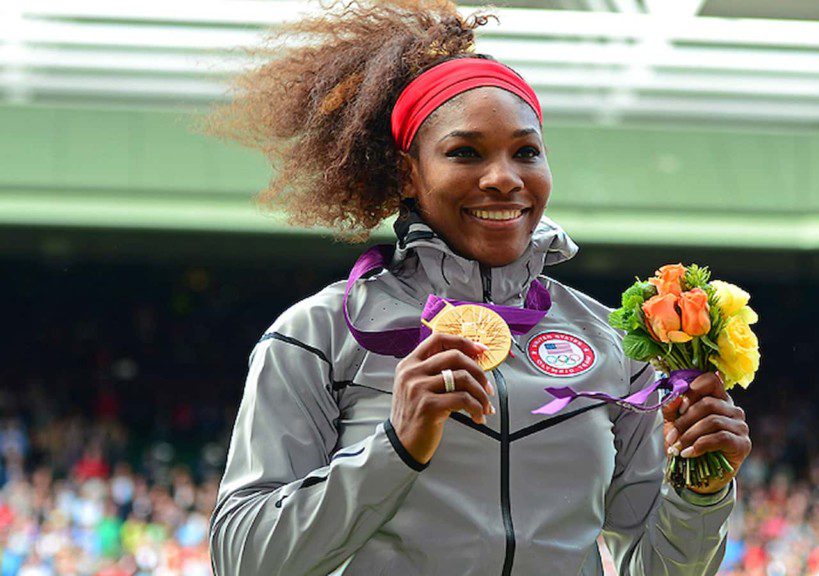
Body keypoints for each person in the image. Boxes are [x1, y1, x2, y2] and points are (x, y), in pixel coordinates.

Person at [204, 1, 751, 574]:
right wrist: (395, 446)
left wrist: (700, 490)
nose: (504, 179)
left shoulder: (611, 343)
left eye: (526, 152)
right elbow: (244, 558)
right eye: (465, 152)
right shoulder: (317, 334)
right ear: (406, 173)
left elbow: (651, 567)